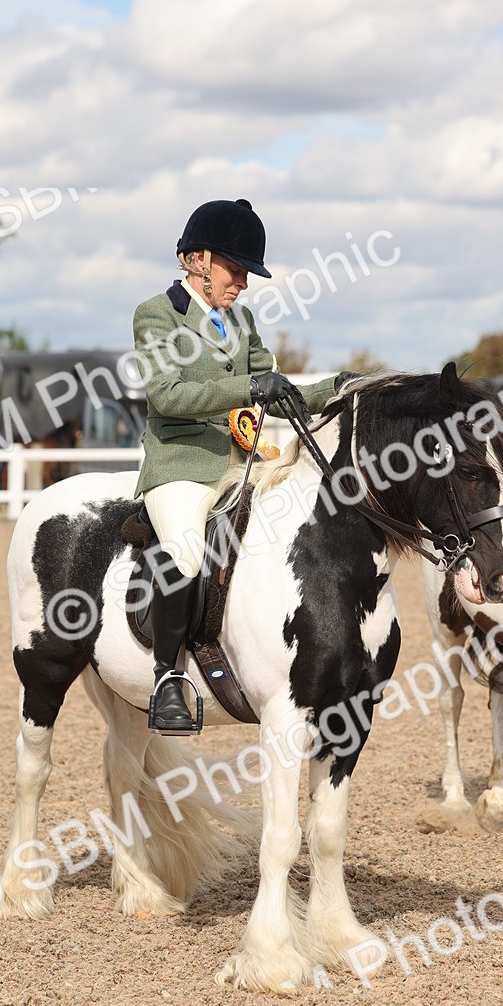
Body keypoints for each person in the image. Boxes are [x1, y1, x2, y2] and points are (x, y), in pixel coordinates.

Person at [132, 198, 339, 731]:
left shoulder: (239, 321)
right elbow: (167, 395)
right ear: (197, 259)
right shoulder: (157, 315)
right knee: (184, 554)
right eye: (236, 267)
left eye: (245, 271)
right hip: (181, 464)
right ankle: (167, 679)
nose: (243, 282)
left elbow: (278, 388)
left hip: (242, 464)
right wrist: (247, 385)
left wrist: (337, 390)